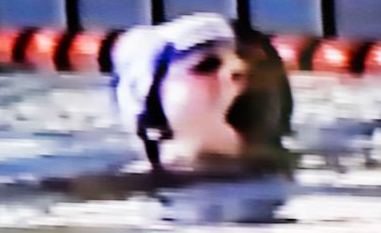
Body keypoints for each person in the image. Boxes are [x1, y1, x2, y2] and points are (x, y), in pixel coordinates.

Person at [111, 13, 293, 173]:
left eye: (260, 63)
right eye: (207, 65)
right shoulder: (120, 194)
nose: (241, 69)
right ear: (150, 105)